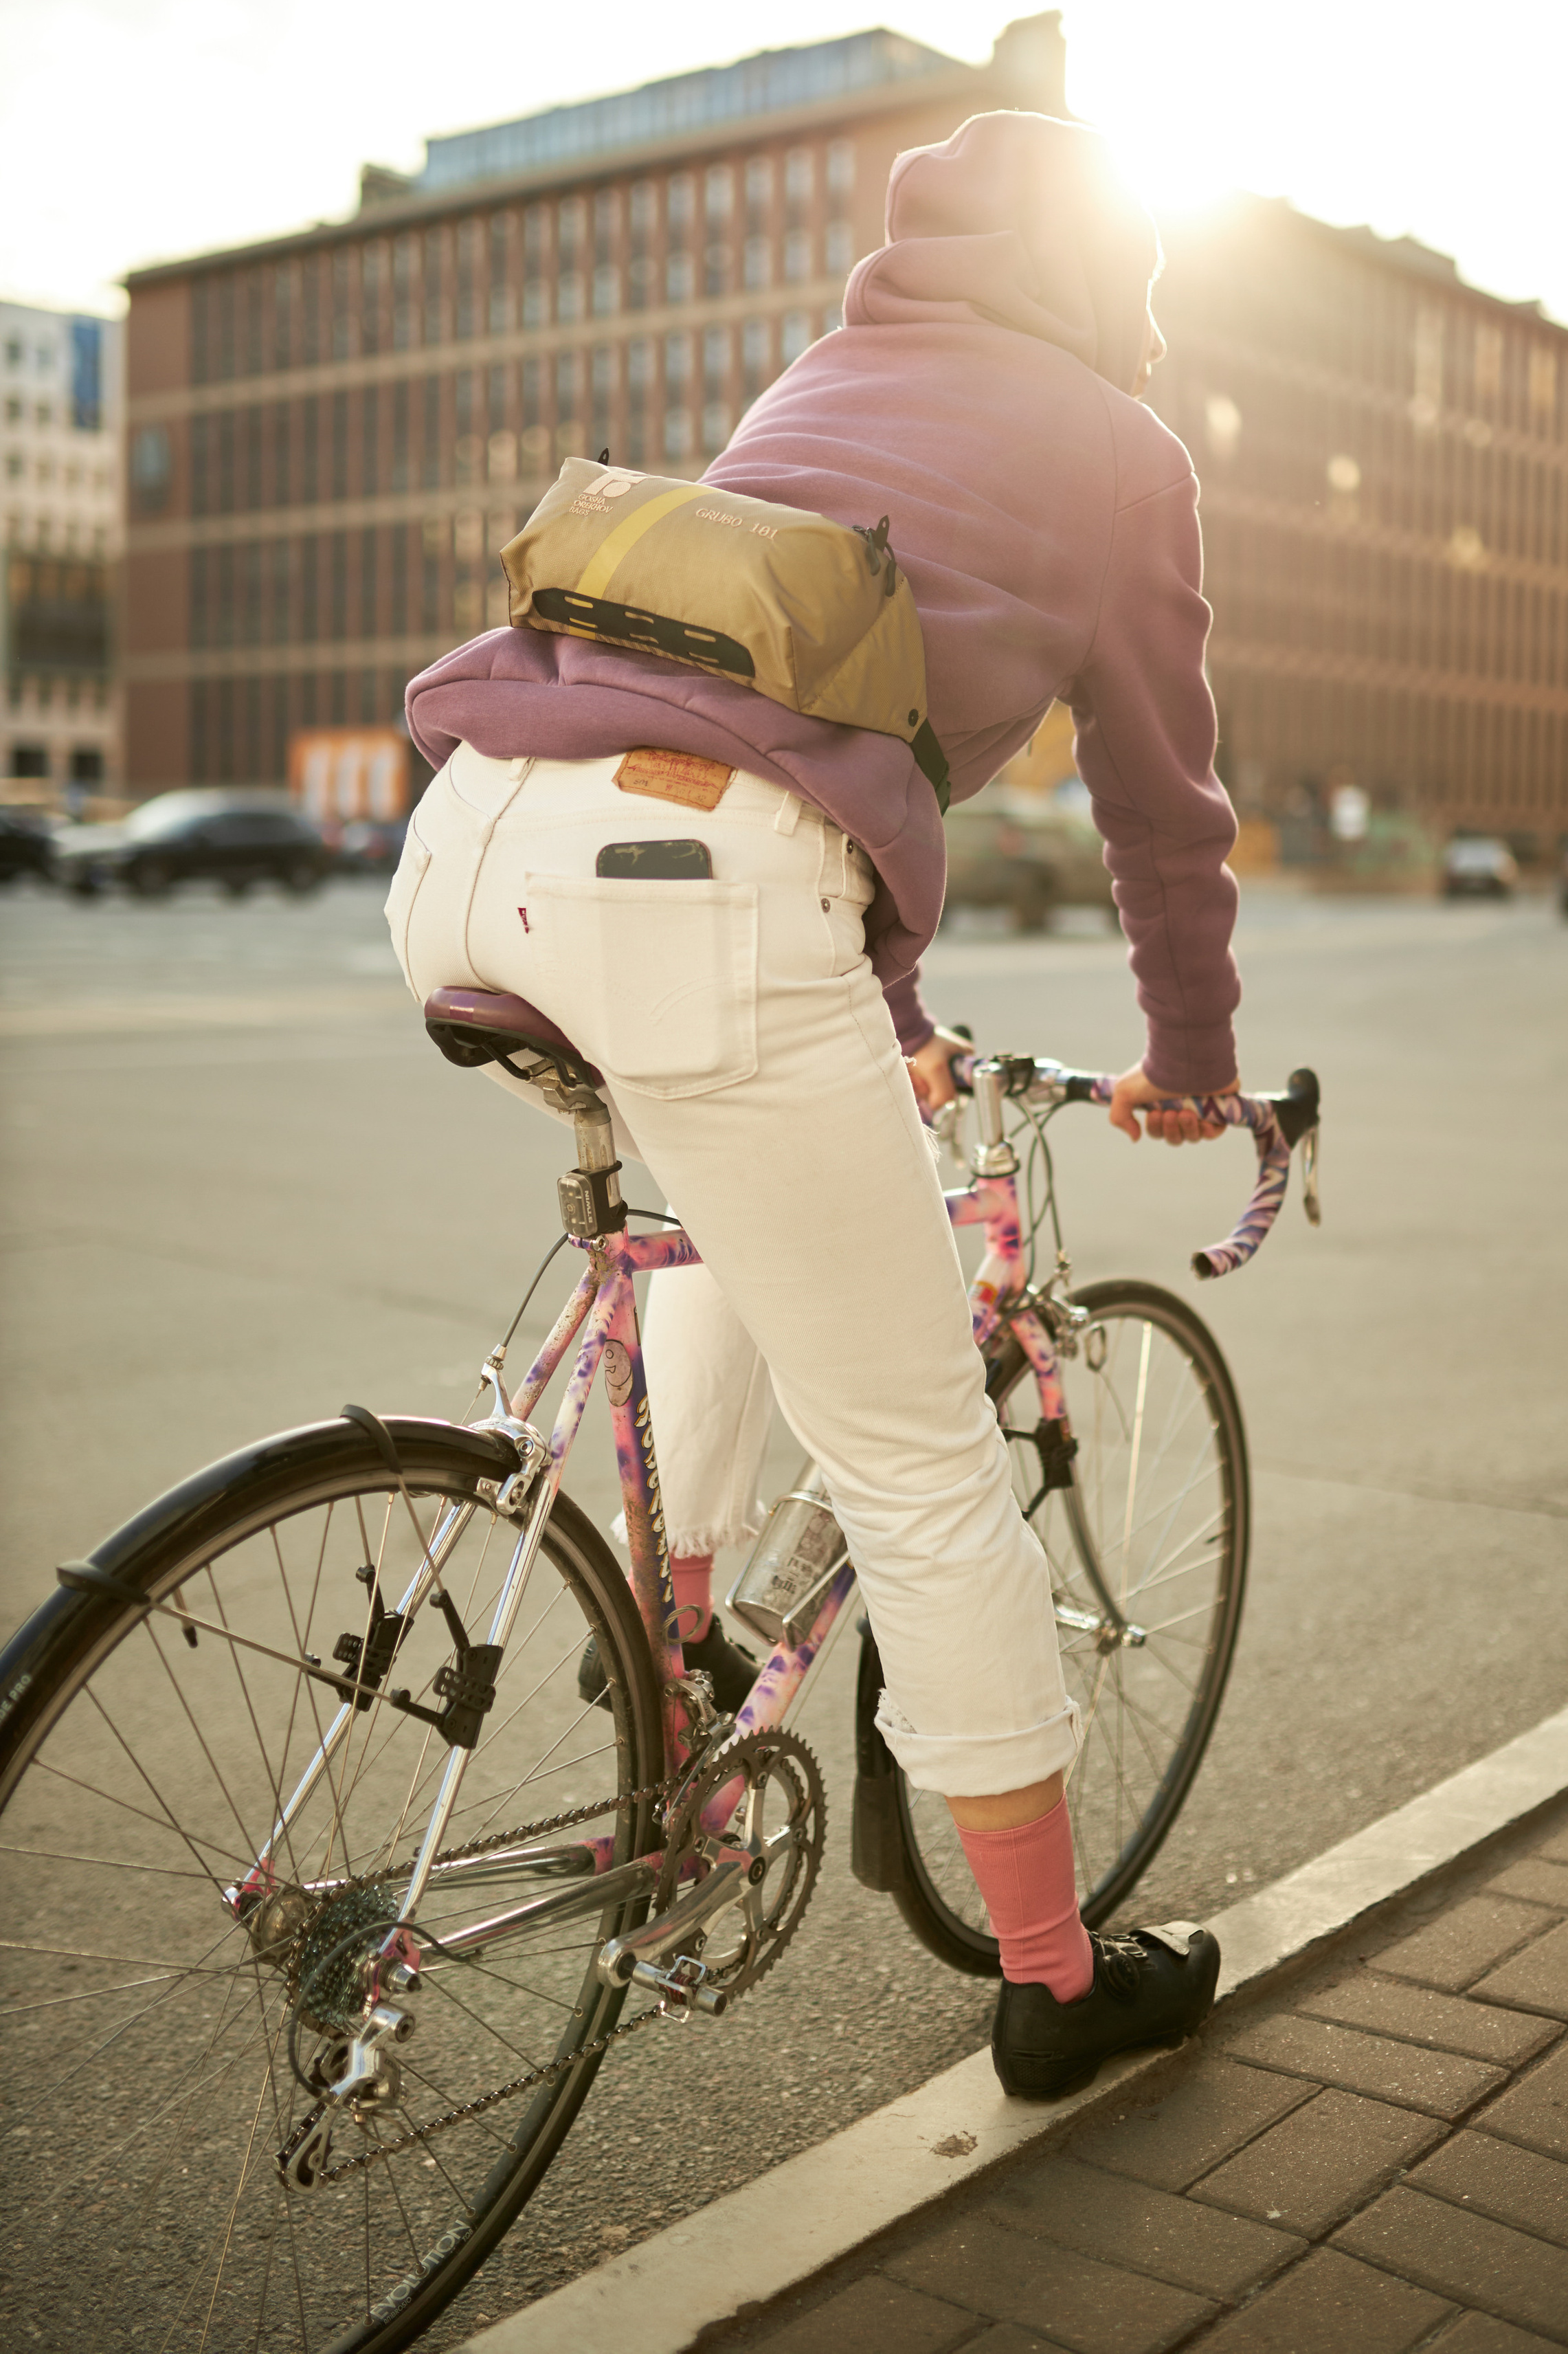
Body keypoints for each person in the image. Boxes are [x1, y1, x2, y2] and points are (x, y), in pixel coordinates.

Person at [391, 110, 1241, 2099]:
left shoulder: (833, 368)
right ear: (1116, 269)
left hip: (468, 840)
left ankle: (665, 1662)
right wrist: (1191, 1061)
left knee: (733, 1206)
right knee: (922, 1464)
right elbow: (1160, 806)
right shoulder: (1124, 455)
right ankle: (1051, 1974)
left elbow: (798, 689)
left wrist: (890, 1006)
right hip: (702, 890)